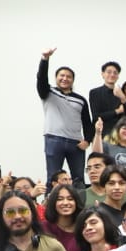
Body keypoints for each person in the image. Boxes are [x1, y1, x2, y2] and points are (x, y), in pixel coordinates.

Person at [37, 48, 93, 182]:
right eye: (61, 75)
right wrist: (45, 59)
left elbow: (87, 122)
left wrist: (87, 140)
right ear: (56, 78)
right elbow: (41, 79)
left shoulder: (80, 99)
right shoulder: (48, 92)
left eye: (68, 76)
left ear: (73, 80)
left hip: (76, 143)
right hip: (54, 140)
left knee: (78, 178)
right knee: (53, 177)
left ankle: (79, 197)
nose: (65, 78)